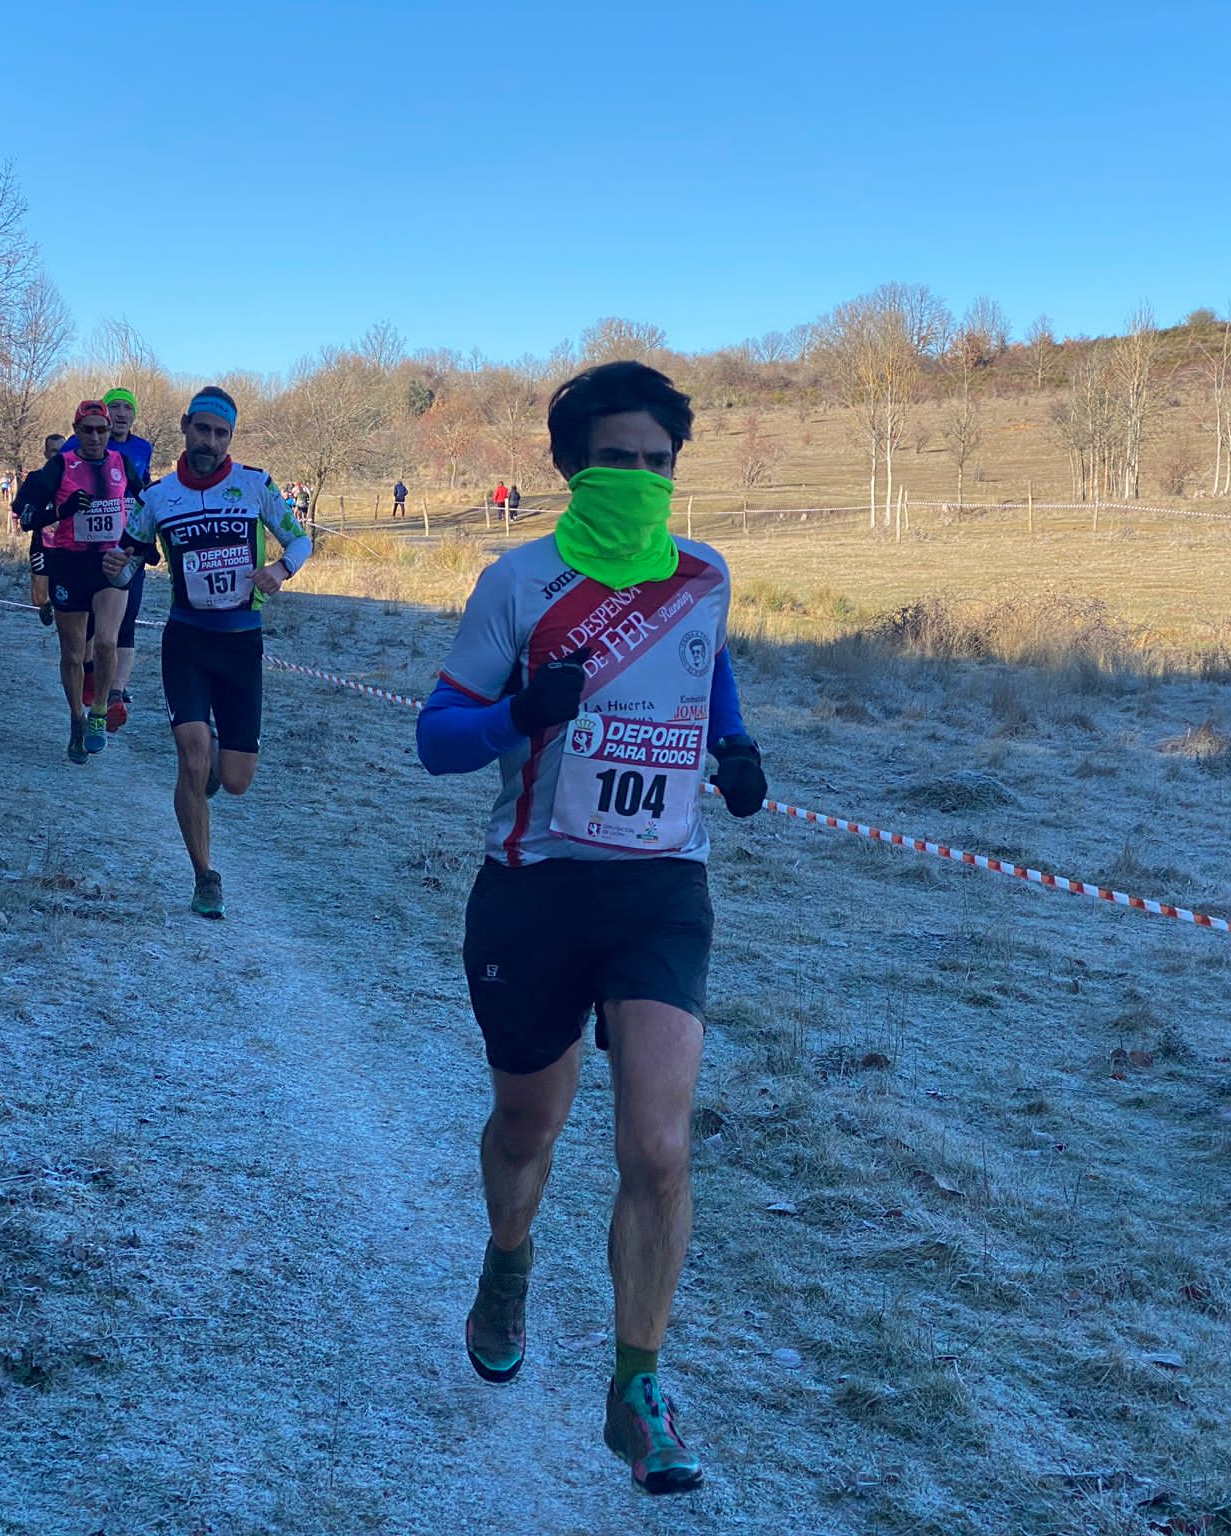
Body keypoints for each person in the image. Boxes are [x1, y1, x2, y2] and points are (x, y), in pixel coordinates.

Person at [414, 361, 768, 1496]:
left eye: (658, 463)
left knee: (658, 1150)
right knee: (529, 1125)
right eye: (616, 460)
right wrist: (520, 712)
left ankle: (636, 1390)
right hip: (535, 885)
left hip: (660, 888)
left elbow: (703, 673)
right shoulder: (518, 582)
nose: (638, 479)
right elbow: (436, 736)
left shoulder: (702, 575)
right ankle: (506, 1263)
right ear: (569, 466)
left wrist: (735, 744)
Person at [112, 386, 310, 918]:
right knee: (191, 759)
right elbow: (131, 554)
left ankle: (220, 760)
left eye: (222, 434)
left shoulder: (255, 485)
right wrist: (120, 566)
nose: (212, 442)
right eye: (204, 429)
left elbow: (300, 541)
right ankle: (204, 876)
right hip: (187, 641)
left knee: (236, 779)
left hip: (242, 644)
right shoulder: (158, 497)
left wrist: (281, 570)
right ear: (185, 426)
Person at [12, 402, 140, 763]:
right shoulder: (59, 467)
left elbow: (144, 505)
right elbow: (27, 518)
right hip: (68, 564)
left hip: (109, 565)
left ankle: (99, 710)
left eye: (102, 429)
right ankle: (76, 719)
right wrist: (62, 511)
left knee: (105, 642)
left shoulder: (122, 464)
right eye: (89, 430)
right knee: (71, 653)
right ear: (77, 431)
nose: (97, 436)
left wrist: (141, 548)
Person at [63, 388, 154, 730]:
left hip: (127, 545)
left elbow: (141, 488)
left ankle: (115, 695)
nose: (119, 414)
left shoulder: (142, 448)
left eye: (126, 408)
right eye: (113, 406)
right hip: (84, 548)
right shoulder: (81, 444)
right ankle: (91, 681)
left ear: (133, 415)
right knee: (88, 627)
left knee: (125, 622)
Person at [26, 433, 65, 626]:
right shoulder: (35, 479)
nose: (58, 455)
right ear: (45, 453)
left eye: (62, 451)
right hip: (41, 543)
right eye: (54, 451)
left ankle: (66, 617)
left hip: (67, 546)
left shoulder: (74, 479)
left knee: (67, 593)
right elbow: (21, 509)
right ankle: (46, 605)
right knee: (38, 598)